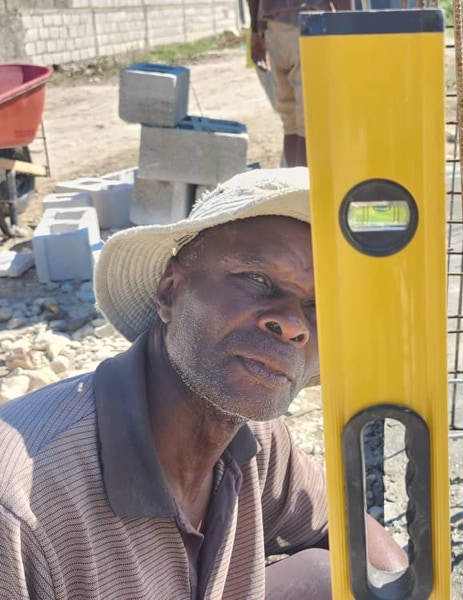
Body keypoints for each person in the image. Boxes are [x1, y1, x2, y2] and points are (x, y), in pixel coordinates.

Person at [0, 168, 407, 599]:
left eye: (318, 306)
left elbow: (348, 529)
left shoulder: (256, 440)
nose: (292, 324)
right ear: (169, 292)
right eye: (257, 280)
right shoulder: (23, 508)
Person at [247, 0, 351, 168]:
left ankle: (294, 181)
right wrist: (348, 30)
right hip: (309, 26)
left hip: (273, 30)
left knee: (291, 125)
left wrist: (255, 32)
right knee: (309, 122)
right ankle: (305, 183)